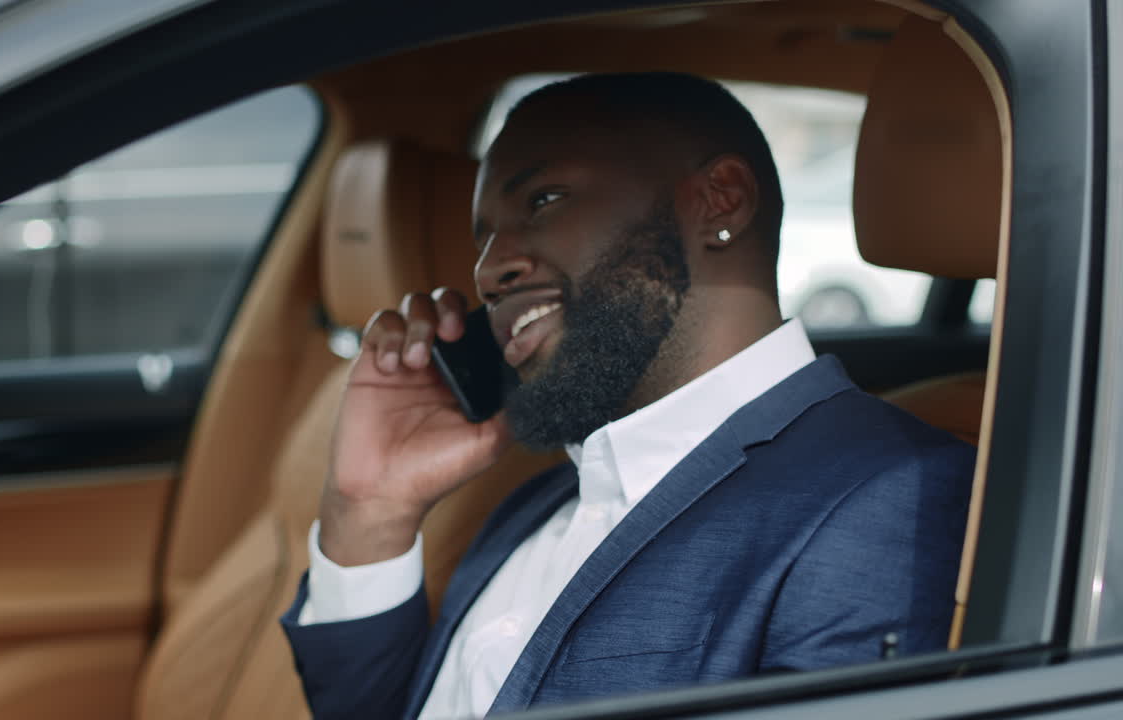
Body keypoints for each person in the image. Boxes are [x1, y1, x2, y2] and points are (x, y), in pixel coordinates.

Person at [281, 72, 974, 720]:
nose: (490, 268)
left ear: (719, 202)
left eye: (543, 201)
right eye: (482, 238)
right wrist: (369, 512)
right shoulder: (531, 504)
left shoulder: (890, 495)